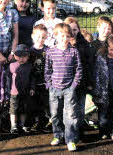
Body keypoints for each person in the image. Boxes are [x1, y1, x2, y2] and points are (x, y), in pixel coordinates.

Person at [45, 23, 82, 152]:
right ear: (55, 36)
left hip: (69, 89)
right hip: (54, 88)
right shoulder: (50, 52)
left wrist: (73, 86)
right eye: (61, 35)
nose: (64, 38)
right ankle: (57, 135)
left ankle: (70, 139)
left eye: (67, 36)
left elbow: (78, 70)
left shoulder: (73, 51)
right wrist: (49, 84)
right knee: (55, 114)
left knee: (70, 115)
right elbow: (47, 70)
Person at [64, 17, 89, 137]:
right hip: (66, 83)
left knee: (80, 108)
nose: (73, 32)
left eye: (75, 29)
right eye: (70, 30)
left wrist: (89, 81)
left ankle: (79, 130)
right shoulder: (62, 44)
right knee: (69, 110)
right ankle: (69, 132)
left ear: (78, 29)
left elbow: (89, 64)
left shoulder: (84, 44)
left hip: (81, 81)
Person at [6, 44, 35, 133]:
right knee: (13, 110)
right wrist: (8, 90)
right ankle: (13, 126)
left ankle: (22, 125)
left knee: (24, 109)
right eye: (19, 56)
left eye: (24, 56)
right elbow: (8, 78)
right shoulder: (12, 65)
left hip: (25, 92)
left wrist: (32, 88)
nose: (21, 58)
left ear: (28, 56)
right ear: (14, 55)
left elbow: (32, 78)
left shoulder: (29, 66)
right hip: (14, 92)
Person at [29, 24, 50, 132]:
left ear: (46, 37)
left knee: (45, 104)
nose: (40, 39)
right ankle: (35, 123)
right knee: (34, 104)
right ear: (32, 36)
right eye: (38, 36)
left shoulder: (48, 50)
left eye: (43, 37)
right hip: (33, 83)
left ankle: (44, 123)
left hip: (44, 82)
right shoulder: (30, 51)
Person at [86, 17, 113, 94]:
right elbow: (89, 64)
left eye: (109, 28)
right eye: (104, 28)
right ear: (98, 27)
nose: (106, 31)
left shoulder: (112, 44)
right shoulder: (92, 44)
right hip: (95, 80)